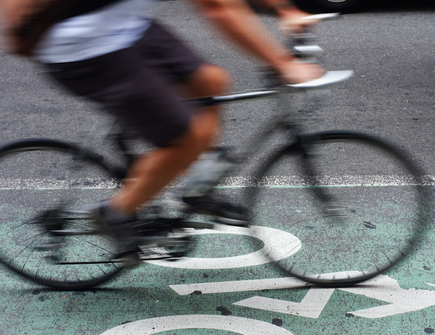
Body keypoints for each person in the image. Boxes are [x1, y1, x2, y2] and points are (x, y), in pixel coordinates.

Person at [31, 0, 325, 259]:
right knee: (188, 139)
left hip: (125, 27)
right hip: (84, 47)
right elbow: (217, 6)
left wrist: (283, 9)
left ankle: (195, 187)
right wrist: (282, 62)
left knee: (211, 82)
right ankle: (115, 212)